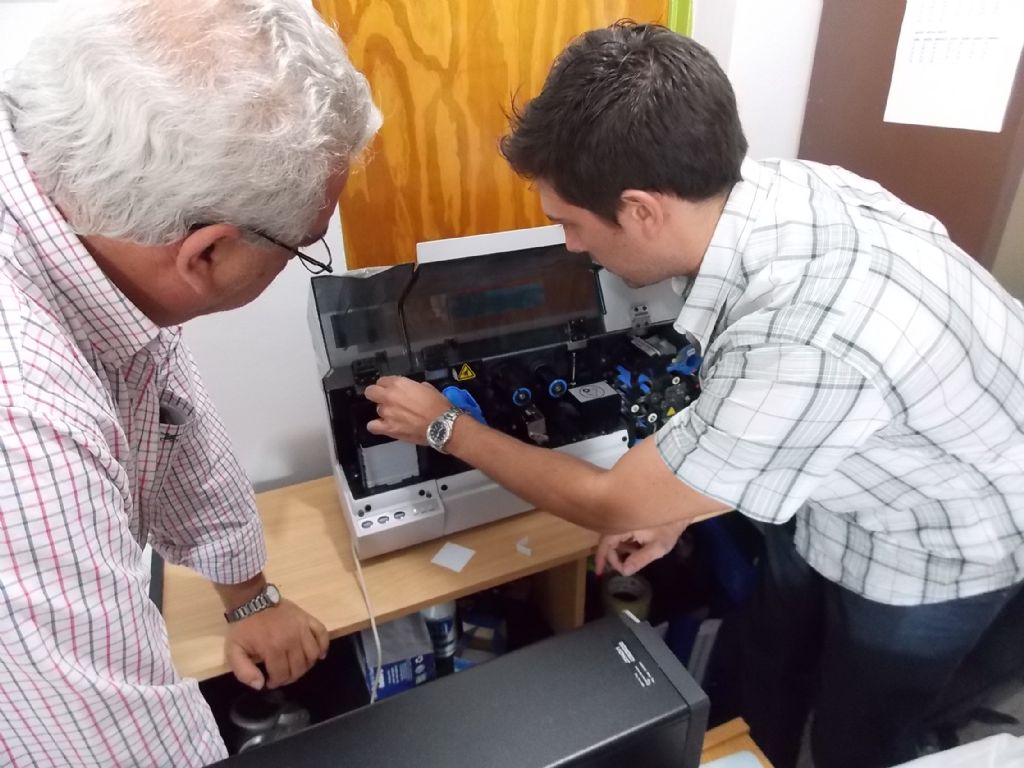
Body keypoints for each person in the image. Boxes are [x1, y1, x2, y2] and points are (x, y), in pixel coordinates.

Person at [364, 21, 1024, 768]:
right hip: (839, 485)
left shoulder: (809, 333)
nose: (572, 247)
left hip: (940, 538)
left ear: (642, 209)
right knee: (767, 662)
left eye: (570, 224)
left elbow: (613, 501)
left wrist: (445, 427)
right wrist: (684, 500)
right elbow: (779, 418)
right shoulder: (775, 190)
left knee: (859, 731)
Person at [0, 0, 380, 765]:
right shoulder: (26, 427)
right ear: (205, 254)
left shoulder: (90, 212)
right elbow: (116, 748)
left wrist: (249, 594)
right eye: (303, 247)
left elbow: (169, 406)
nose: (299, 260)